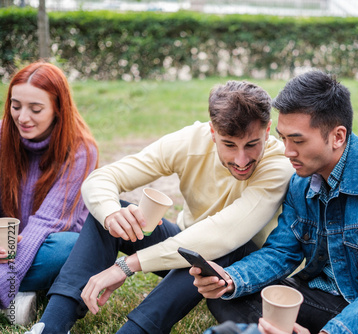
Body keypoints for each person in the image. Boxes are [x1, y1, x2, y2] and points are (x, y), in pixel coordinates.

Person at [27, 80, 295, 334]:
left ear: (267, 130)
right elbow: (103, 179)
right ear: (213, 133)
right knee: (111, 213)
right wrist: (111, 215)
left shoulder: (278, 164)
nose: (241, 159)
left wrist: (127, 265)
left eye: (251, 145)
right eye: (229, 145)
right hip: (184, 246)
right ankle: (52, 325)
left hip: (241, 264)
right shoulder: (191, 140)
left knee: (219, 249)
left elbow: (223, 234)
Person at [191, 70, 358, 334]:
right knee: (230, 299)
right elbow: (282, 251)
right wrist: (231, 280)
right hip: (320, 299)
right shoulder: (299, 182)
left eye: (298, 140)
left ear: (338, 136)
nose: (287, 151)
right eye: (283, 138)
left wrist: (334, 331)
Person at [0, 62, 98, 325]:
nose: (22, 117)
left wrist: (5, 276)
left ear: (58, 108)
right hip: (4, 241)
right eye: (15, 105)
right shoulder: (2, 134)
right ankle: (16, 296)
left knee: (70, 249)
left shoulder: (81, 150)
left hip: (46, 243)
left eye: (36, 109)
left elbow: (49, 222)